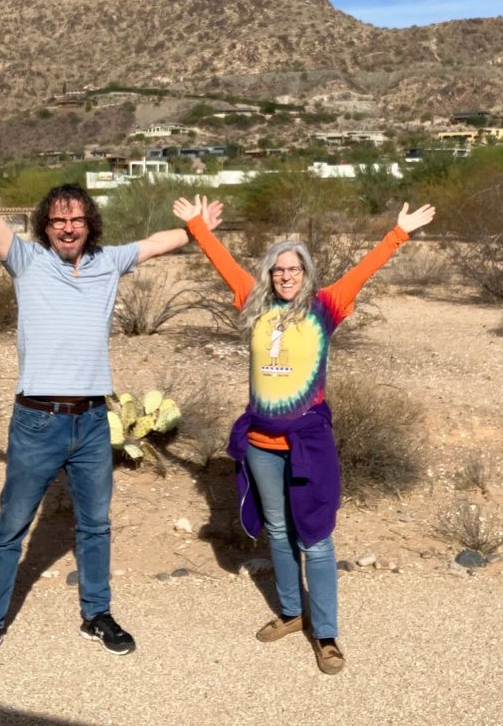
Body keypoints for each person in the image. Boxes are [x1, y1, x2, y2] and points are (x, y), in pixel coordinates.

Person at [0, 114, 194, 672]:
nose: (67, 227)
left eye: (76, 219)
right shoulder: (25, 260)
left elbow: (162, 241)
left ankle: (97, 613)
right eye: (58, 219)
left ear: (90, 224)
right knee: (11, 526)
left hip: (91, 422)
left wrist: (201, 227)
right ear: (44, 224)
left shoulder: (109, 263)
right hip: (36, 421)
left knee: (95, 524)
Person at [173, 193, 435, 675]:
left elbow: (365, 269)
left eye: (294, 269)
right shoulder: (252, 302)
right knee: (277, 529)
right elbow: (222, 261)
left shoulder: (327, 306)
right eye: (278, 269)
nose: (286, 276)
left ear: (307, 273)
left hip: (308, 443)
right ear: (269, 274)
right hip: (261, 444)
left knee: (315, 537)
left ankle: (328, 635)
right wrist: (198, 228)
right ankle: (292, 613)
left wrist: (398, 233)